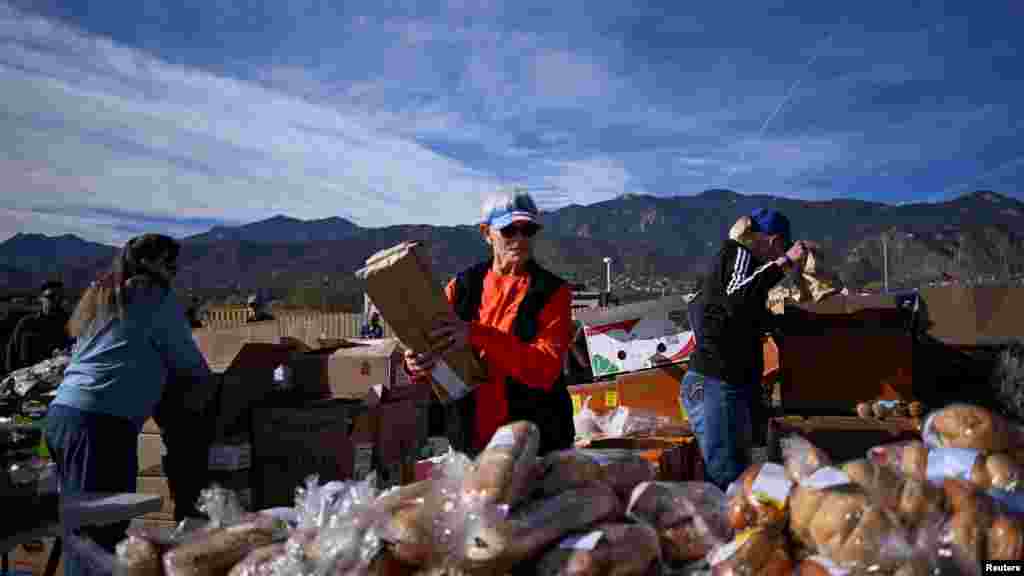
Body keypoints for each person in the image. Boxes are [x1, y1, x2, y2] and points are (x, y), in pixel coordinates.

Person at [45, 234, 214, 576]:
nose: (174, 269)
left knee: (83, 531)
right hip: (99, 424)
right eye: (168, 261)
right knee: (98, 537)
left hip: (66, 416)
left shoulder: (107, 294)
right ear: (148, 263)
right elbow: (189, 363)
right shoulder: (152, 294)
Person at [404, 188, 575, 456]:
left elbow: (546, 369)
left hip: (537, 447)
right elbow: (433, 347)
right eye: (509, 230)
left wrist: (476, 334)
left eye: (527, 230)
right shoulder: (460, 287)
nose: (519, 239)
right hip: (469, 443)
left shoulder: (553, 293)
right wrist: (416, 364)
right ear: (486, 233)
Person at [681, 208, 807, 491]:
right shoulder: (738, 254)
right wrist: (784, 264)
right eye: (780, 249)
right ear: (774, 241)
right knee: (729, 481)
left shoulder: (737, 271)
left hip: (726, 384)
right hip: (717, 384)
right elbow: (738, 297)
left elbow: (735, 311)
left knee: (738, 477)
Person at [6, 281, 73, 373]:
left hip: (58, 380)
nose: (56, 301)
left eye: (60, 298)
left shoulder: (71, 324)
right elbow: (12, 352)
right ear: (41, 298)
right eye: (51, 297)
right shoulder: (27, 323)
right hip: (25, 378)